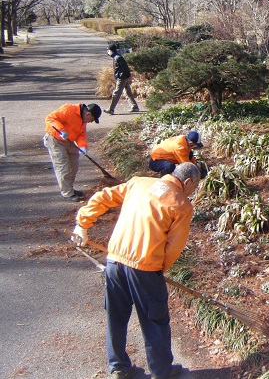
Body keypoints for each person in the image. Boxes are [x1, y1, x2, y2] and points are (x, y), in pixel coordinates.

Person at [70, 162, 201, 379]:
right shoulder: (181, 205)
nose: (193, 191)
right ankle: (162, 372)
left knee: (116, 316)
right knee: (154, 320)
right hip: (145, 268)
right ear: (188, 182)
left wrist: (82, 223)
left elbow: (103, 197)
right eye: (194, 187)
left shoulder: (138, 183)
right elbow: (173, 248)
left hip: (114, 261)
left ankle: (119, 368)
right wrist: (158, 270)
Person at [43, 103, 102, 201]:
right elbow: (50, 118)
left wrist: (82, 147)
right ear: (88, 114)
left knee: (73, 166)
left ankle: (69, 188)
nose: (91, 122)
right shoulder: (69, 109)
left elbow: (81, 134)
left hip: (69, 141)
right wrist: (61, 130)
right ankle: (67, 193)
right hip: (55, 140)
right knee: (63, 167)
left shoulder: (83, 121)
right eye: (92, 119)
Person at [104, 42, 139, 115]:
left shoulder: (118, 58)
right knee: (127, 92)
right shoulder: (116, 57)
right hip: (122, 76)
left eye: (108, 50)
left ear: (111, 51)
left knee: (116, 93)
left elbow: (125, 67)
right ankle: (134, 106)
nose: (107, 52)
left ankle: (111, 109)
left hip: (122, 77)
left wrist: (128, 76)